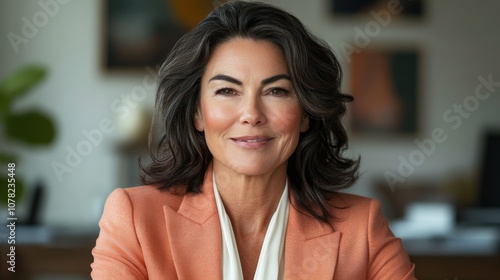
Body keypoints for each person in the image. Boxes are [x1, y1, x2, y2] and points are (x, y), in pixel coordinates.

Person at [91, 1, 416, 279]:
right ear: (198, 114)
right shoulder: (134, 219)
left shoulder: (363, 229)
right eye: (227, 91)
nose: (251, 114)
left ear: (305, 114)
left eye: (276, 91)